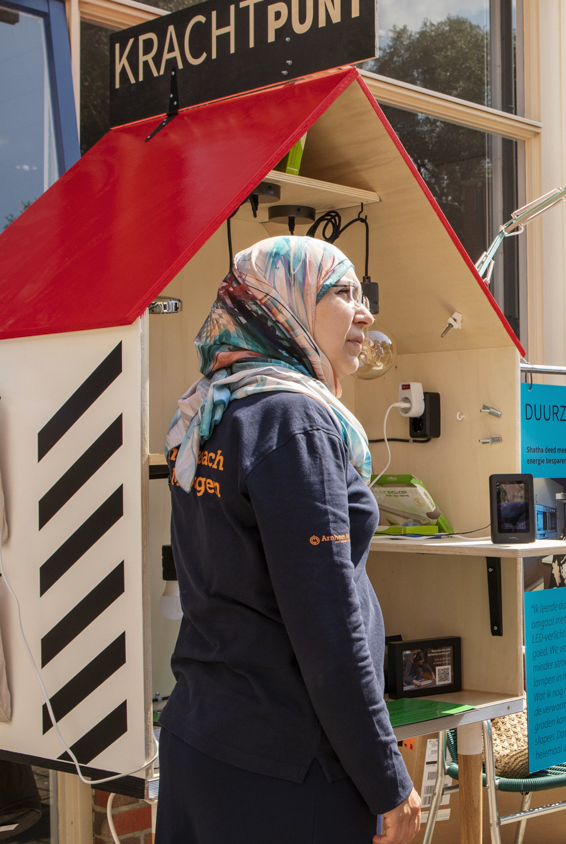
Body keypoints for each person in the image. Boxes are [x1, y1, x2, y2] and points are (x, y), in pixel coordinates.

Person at [157, 237, 421, 844]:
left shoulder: (218, 410)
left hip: (206, 742)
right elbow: (327, 625)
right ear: (283, 303)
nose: (367, 313)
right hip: (285, 772)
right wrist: (386, 778)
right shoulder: (293, 420)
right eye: (344, 293)